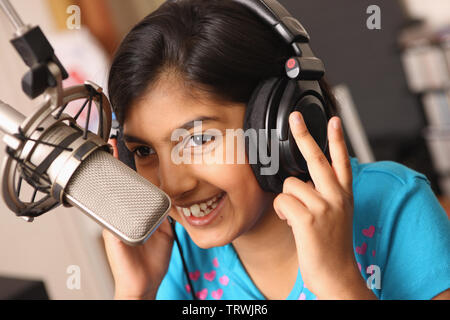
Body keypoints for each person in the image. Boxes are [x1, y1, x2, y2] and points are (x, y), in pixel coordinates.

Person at [103, 0, 450, 300]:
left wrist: (339, 282)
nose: (173, 186)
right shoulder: (175, 252)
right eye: (145, 151)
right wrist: (137, 292)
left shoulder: (394, 205)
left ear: (274, 125)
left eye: (198, 140)